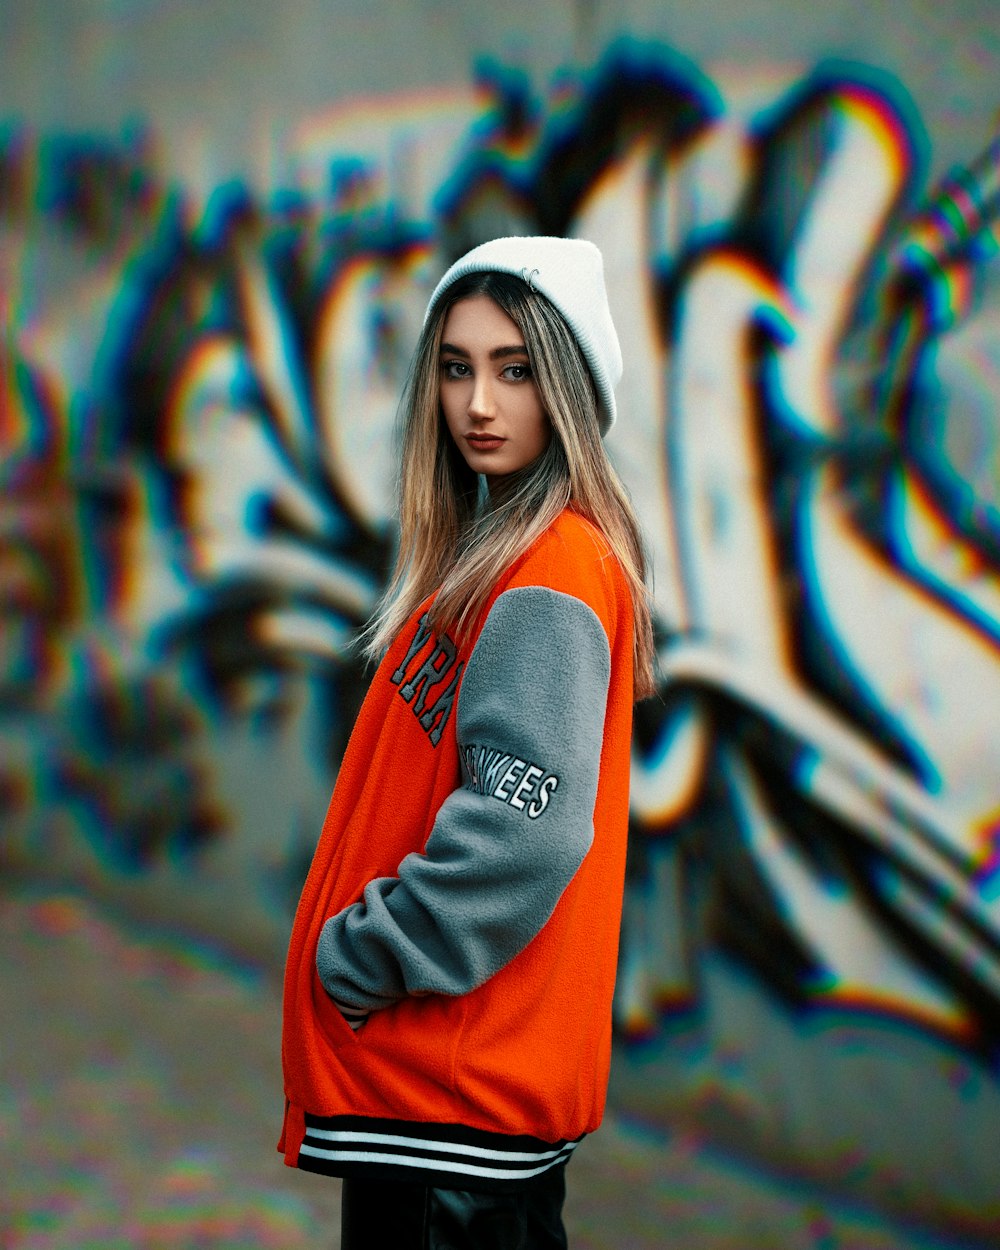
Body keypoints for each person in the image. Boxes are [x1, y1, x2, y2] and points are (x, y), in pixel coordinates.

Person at [279, 235, 655, 1249]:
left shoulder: (550, 571)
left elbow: (522, 830)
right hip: (450, 1100)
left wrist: (362, 954)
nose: (478, 402)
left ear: (566, 386)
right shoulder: (505, 553)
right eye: (456, 367)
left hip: (454, 1101)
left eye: (514, 368)